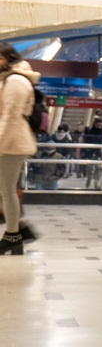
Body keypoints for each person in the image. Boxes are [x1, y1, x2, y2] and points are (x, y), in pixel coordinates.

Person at [0, 43, 39, 255]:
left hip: (12, 141)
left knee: (6, 191)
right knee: (4, 191)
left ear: (9, 58)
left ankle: (14, 236)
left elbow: (10, 116)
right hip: (10, 140)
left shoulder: (15, 80)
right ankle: (16, 233)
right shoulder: (10, 79)